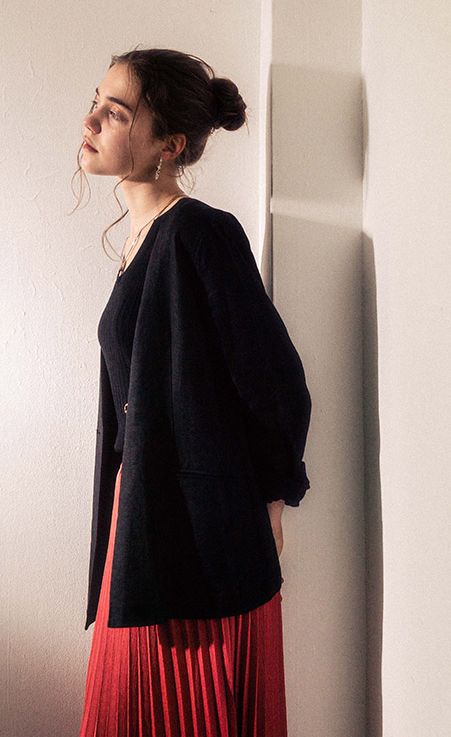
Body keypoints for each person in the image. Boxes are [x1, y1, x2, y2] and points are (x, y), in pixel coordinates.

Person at [72, 48, 312, 737]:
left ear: (168, 145)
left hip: (199, 534)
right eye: (96, 102)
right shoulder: (141, 240)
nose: (91, 120)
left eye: (117, 113)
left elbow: (275, 381)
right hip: (145, 518)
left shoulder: (201, 232)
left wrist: (275, 496)